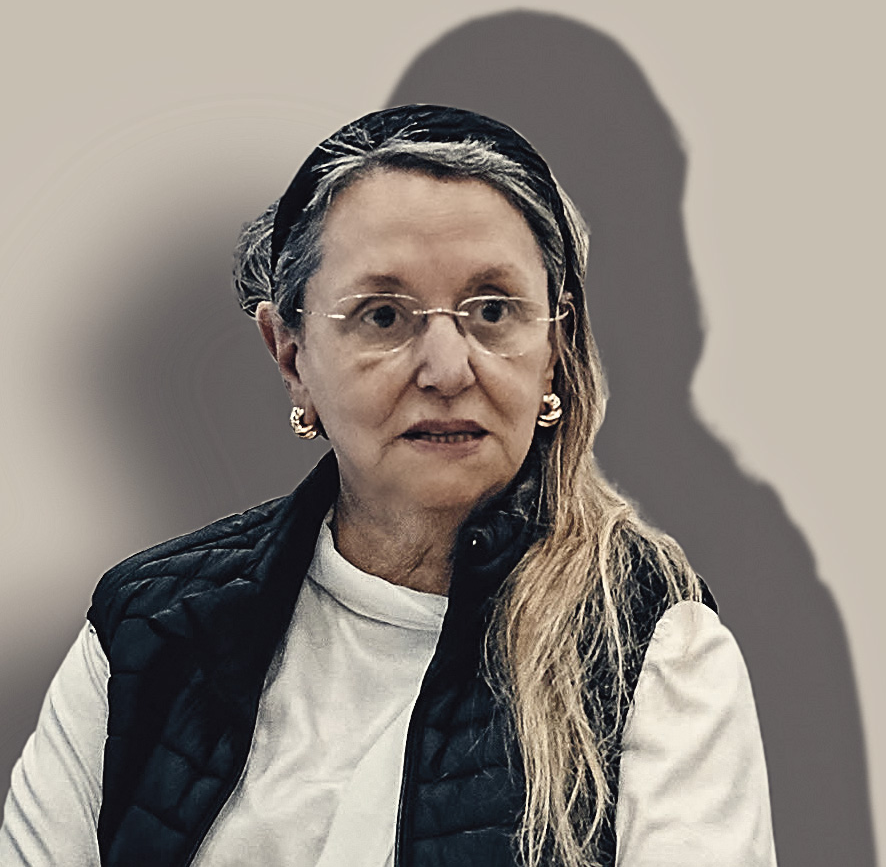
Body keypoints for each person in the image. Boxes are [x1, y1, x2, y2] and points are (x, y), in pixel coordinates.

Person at [0, 105, 777, 867]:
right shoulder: (147, 627)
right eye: (382, 316)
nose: (447, 369)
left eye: (493, 310)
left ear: (554, 346)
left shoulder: (650, 645)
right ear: (290, 354)